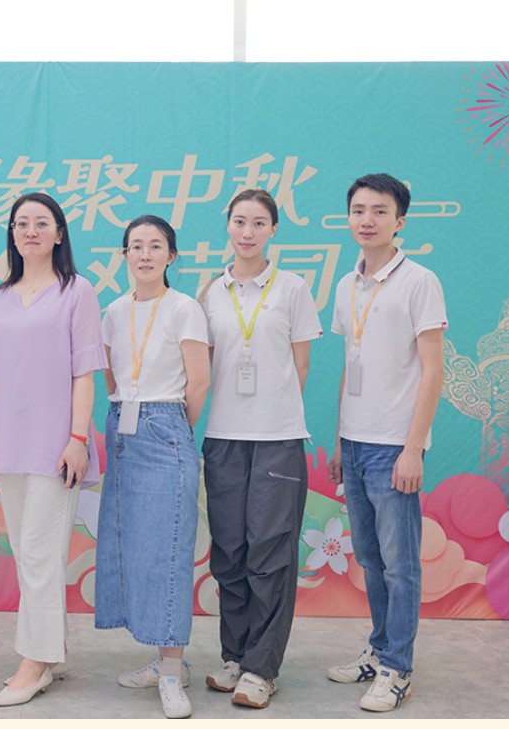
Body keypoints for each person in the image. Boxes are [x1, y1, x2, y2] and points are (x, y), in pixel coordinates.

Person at [0, 192, 108, 708]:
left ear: (59, 234)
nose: (30, 231)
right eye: (21, 223)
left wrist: (77, 439)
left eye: (41, 223)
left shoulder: (77, 291)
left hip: (56, 447)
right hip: (7, 445)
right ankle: (53, 651)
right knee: (31, 552)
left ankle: (33, 662)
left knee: (38, 552)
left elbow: (84, 373)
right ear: (11, 234)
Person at [197, 188, 322, 709]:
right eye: (239, 221)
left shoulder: (292, 288)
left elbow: (301, 364)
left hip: (276, 439)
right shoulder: (210, 291)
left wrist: (273, 412)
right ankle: (235, 656)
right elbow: (202, 366)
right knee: (229, 552)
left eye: (259, 223)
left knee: (270, 555)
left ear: (273, 230)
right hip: (223, 437)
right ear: (228, 225)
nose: (247, 232)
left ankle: (261, 669)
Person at [325, 173, 447, 712]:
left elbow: (433, 370)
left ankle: (398, 668)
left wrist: (413, 447)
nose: (367, 220)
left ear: (400, 220)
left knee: (400, 566)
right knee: (371, 561)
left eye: (379, 211)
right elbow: (350, 366)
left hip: (394, 446)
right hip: (354, 443)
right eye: (358, 210)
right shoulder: (346, 284)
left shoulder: (420, 280)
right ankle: (379, 651)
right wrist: (338, 440)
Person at [95, 216, 210, 719]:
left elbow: (199, 382)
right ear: (124, 255)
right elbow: (109, 376)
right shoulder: (113, 311)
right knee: (134, 548)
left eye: (155, 246)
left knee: (169, 552)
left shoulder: (185, 308)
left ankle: (171, 672)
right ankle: (162, 660)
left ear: (171, 256)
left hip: (166, 427)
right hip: (122, 426)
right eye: (136, 246)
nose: (145, 255)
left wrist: (172, 429)